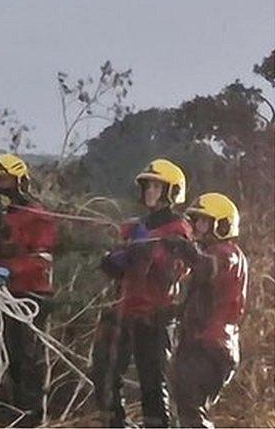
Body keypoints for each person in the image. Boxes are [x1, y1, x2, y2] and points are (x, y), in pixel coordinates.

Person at [93, 158, 191, 428]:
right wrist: (114, 261)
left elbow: (175, 272)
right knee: (104, 373)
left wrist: (145, 255)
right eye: (147, 186)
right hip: (124, 308)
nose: (149, 191)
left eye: (156, 186)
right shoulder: (137, 226)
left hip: (154, 315)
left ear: (171, 191)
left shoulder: (178, 229)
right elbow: (124, 262)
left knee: (152, 384)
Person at [0, 153, 58, 426]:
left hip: (31, 294)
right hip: (7, 295)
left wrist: (11, 269)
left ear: (19, 181)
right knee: (7, 353)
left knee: (29, 356)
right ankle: (13, 409)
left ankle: (33, 415)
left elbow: (42, 258)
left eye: (3, 180)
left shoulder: (38, 215)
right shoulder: (2, 217)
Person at [167, 193, 248, 428]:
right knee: (186, 405)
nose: (198, 228)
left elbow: (207, 268)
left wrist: (185, 249)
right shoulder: (213, 254)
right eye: (197, 222)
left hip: (211, 346)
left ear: (222, 225)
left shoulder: (226, 253)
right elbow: (199, 300)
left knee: (191, 408)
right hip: (203, 343)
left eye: (205, 222)